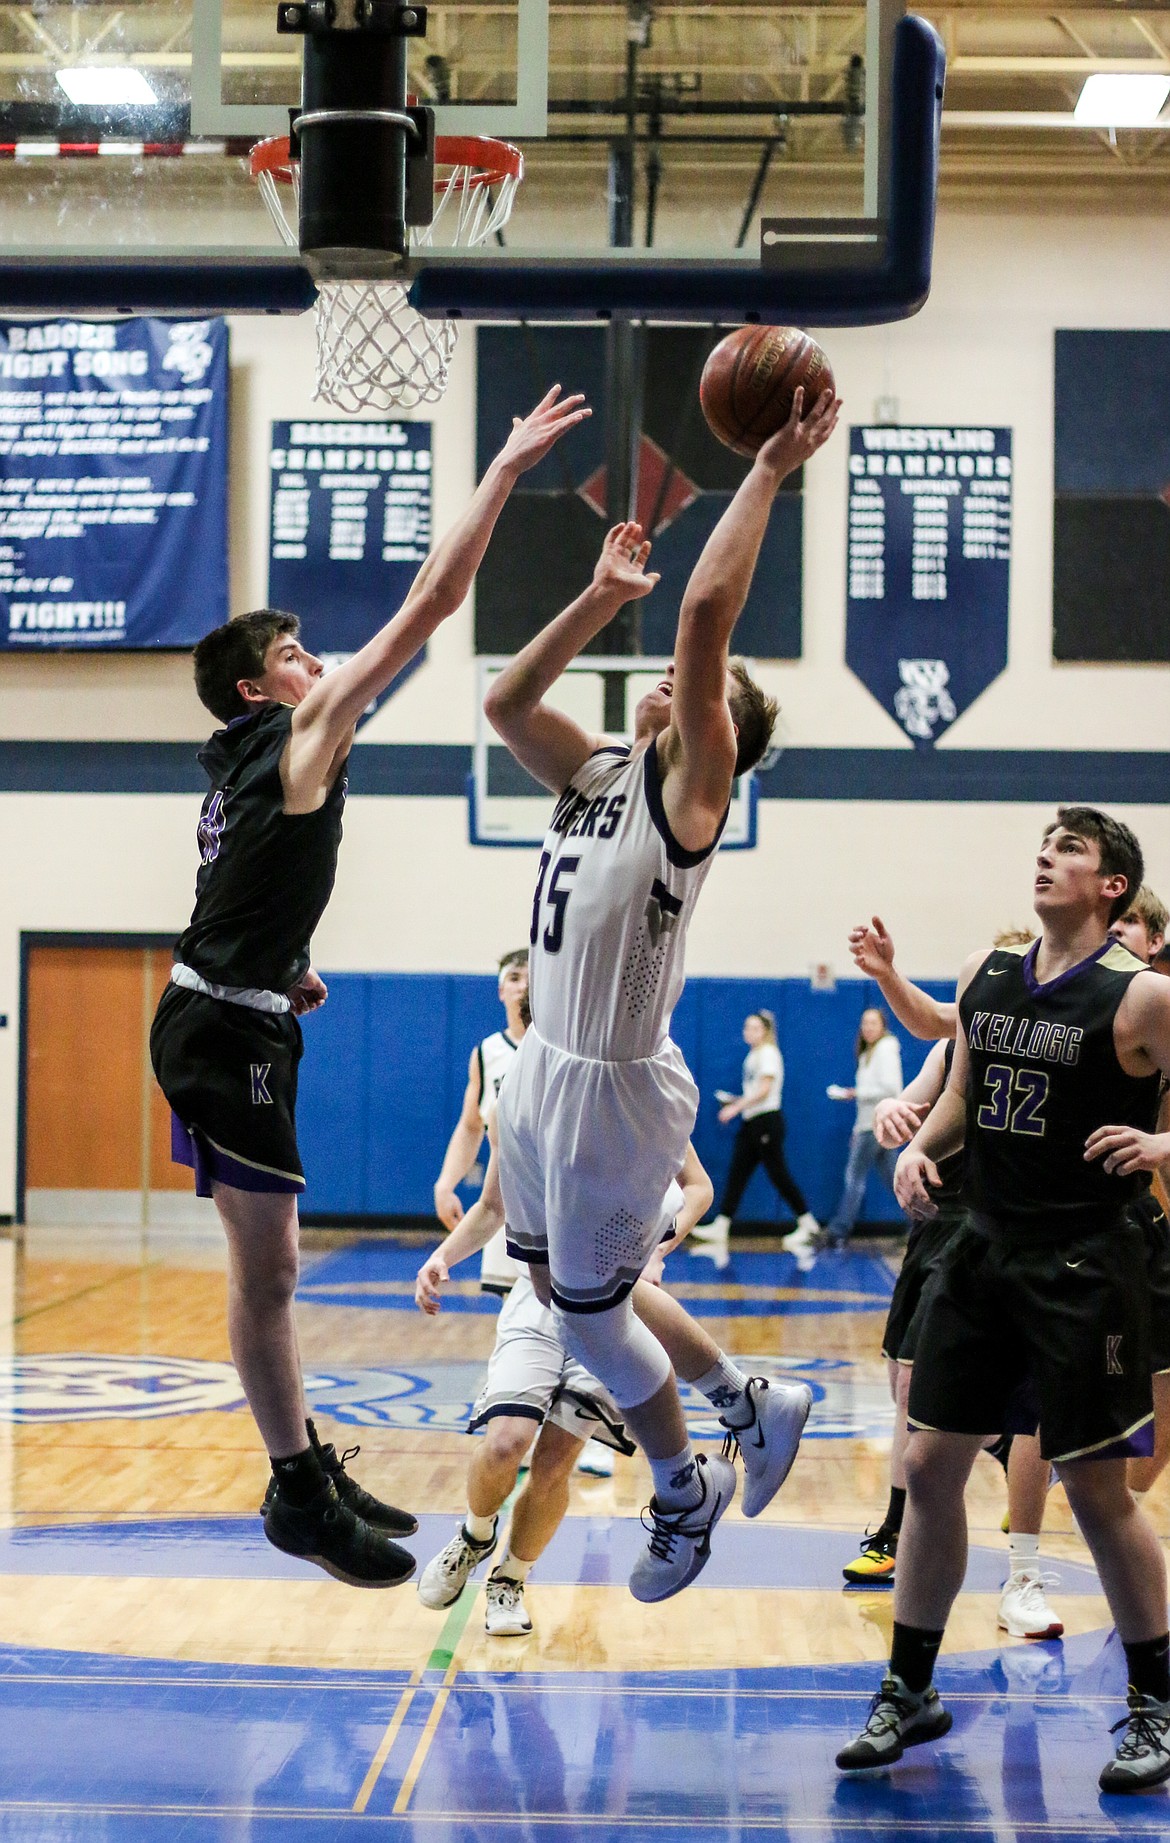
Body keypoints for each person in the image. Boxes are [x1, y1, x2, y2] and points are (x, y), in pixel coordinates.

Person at [149, 386, 591, 1590]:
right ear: (261, 690)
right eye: (292, 655)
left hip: (236, 1009)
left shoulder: (258, 752)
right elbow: (436, 603)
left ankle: (302, 1469)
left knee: (273, 1268)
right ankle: (295, 1488)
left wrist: (281, 966)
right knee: (271, 1272)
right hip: (216, 1027)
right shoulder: (302, 732)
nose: (316, 659)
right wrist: (501, 463)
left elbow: (236, 883)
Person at [483, 384, 839, 1600]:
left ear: (712, 735)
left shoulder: (691, 795)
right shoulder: (592, 771)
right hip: (547, 1071)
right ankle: (751, 1397)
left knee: (588, 1319)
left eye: (704, 699)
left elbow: (704, 615)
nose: (679, 687)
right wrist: (596, 597)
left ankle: (684, 1489)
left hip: (613, 1082)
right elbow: (501, 704)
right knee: (564, 1285)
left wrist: (772, 468)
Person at [838, 806, 1170, 1795]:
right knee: (929, 1465)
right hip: (983, 1252)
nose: (1048, 856)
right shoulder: (989, 976)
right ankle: (910, 1684)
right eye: (1044, 844)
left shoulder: (1142, 994)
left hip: (1084, 1264)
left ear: (1112, 884)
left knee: (1103, 1493)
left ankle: (1153, 1702)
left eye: (1071, 849)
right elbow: (962, 1095)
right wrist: (919, 1146)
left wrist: (1162, 1147)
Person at [414, 1111, 714, 1636]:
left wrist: (663, 1246)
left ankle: (511, 1579)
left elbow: (699, 1187)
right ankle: (474, 1534)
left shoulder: (645, 1087)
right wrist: (443, 1256)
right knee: (507, 1443)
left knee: (556, 1462)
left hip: (613, 1311)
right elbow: (491, 1205)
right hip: (538, 1299)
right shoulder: (526, 1099)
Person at [845, 1035, 1063, 1644]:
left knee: (919, 1393)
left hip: (989, 1229)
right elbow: (911, 1111)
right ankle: (1011, 1457)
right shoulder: (953, 1048)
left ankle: (898, 1534)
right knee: (902, 1388)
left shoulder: (1063, 1037)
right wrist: (896, 1119)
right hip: (933, 1226)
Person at [1107, 886, 1170, 1500]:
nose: (1117, 931)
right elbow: (951, 1021)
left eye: (1132, 923)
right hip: (1121, 1229)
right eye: (1114, 923)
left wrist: (1163, 1146)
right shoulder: (1089, 1001)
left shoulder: (1157, 1004)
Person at [689, 1009, 820, 1270]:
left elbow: (764, 1090)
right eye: (746, 1027)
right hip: (753, 1121)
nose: (748, 1032)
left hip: (766, 1122)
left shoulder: (768, 1054)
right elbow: (755, 1091)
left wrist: (735, 1108)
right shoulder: (754, 1055)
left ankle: (808, 1224)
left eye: (754, 1028)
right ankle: (722, 1224)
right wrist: (737, 1102)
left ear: (765, 1031)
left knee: (778, 1173)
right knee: (738, 1172)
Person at [433, 947, 530, 1294]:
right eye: (514, 978)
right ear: (501, 991)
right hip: (505, 1204)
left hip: (562, 1204)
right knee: (515, 1324)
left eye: (531, 977)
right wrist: (446, 1184)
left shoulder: (564, 1048)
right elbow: (471, 1126)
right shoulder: (488, 1053)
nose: (523, 985)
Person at [823, 1008, 903, 1247]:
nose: (867, 1027)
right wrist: (857, 1128)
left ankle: (839, 1230)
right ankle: (927, 1223)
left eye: (873, 1023)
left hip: (876, 1124)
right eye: (864, 1023)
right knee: (895, 1180)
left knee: (854, 1177)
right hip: (871, 1125)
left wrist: (854, 1093)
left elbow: (891, 1088)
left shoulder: (886, 1049)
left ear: (883, 1026)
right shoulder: (870, 1052)